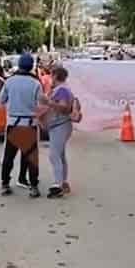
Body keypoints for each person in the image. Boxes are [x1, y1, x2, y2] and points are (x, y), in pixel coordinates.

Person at [0, 53, 42, 197]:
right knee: (31, 158)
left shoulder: (9, 82)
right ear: (31, 66)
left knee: (8, 157)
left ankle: (5, 184)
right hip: (29, 125)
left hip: (13, 124)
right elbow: (41, 105)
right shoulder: (36, 83)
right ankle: (33, 187)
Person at [41, 65, 77, 199]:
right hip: (59, 126)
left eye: (51, 75)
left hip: (60, 125)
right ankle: (63, 182)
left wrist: (49, 102)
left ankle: (58, 184)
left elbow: (64, 107)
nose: (50, 78)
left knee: (54, 155)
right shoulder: (61, 89)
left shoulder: (62, 90)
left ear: (55, 76)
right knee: (60, 155)